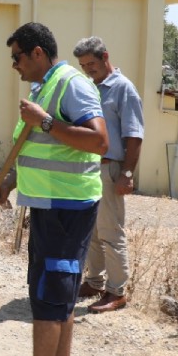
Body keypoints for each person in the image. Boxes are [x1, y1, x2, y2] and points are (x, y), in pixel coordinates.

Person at [0, 22, 108, 356]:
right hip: (49, 204)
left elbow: (99, 142)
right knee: (60, 290)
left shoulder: (71, 84)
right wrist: (7, 186)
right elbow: (34, 148)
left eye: (16, 57)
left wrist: (46, 122)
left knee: (50, 296)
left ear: (37, 53)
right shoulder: (42, 89)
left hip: (67, 207)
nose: (13, 65)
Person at [73, 37, 144, 313]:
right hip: (89, 167)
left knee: (111, 231)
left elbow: (134, 134)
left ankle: (117, 291)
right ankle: (94, 282)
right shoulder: (91, 88)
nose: (87, 69)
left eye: (91, 63)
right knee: (91, 229)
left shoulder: (123, 88)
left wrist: (127, 172)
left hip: (110, 167)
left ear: (105, 57)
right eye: (83, 65)